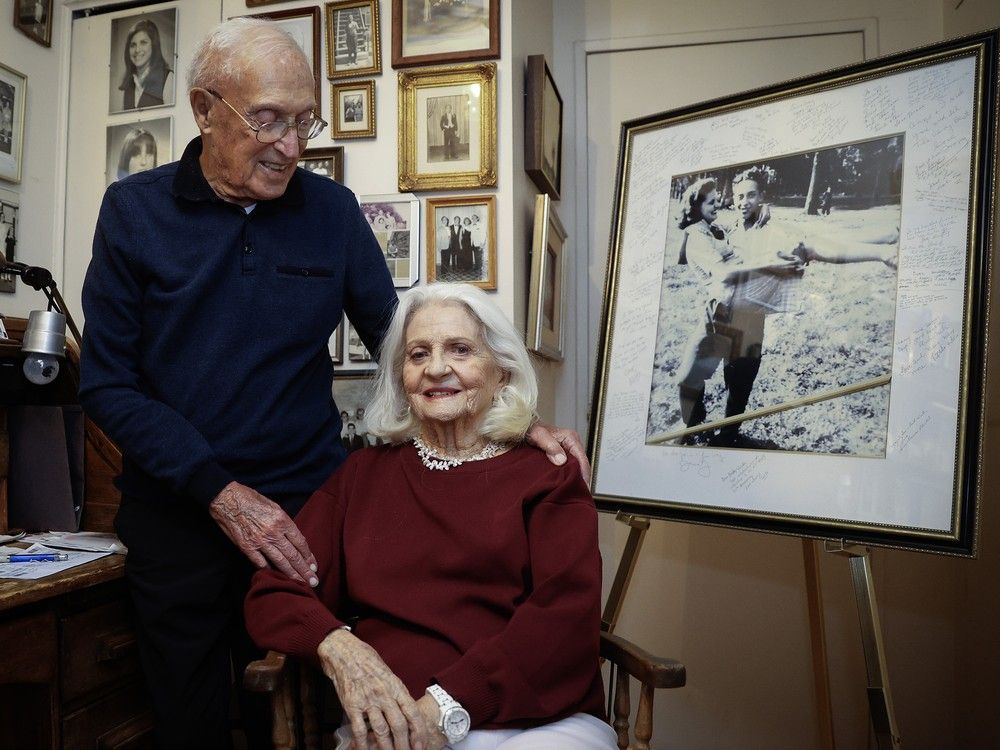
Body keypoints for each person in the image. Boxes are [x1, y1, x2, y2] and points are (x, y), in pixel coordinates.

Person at [80, 19, 588, 748]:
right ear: (204, 109)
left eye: (303, 121)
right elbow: (107, 384)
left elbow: (399, 339)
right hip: (180, 515)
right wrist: (218, 491)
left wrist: (508, 414)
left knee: (305, 717)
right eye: (267, 120)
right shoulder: (134, 212)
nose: (292, 146)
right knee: (189, 720)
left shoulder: (331, 213)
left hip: (303, 513)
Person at [246, 283, 615, 750]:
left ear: (502, 371)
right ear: (402, 376)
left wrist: (442, 709)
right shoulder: (361, 475)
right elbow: (275, 590)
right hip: (393, 725)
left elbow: (563, 622)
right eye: (418, 354)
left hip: (537, 723)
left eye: (460, 350)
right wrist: (342, 649)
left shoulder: (547, 475)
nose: (437, 368)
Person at [674, 172, 897, 447]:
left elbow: (818, 245)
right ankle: (694, 426)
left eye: (752, 195)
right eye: (740, 196)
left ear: (762, 198)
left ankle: (728, 436)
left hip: (749, 320)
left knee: (739, 388)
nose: (744, 202)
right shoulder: (723, 229)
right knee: (688, 378)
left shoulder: (766, 228)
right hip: (718, 312)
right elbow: (699, 257)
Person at [118, 18, 173, 110]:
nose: (137, 50)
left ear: (154, 46)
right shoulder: (128, 86)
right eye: (133, 45)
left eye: (143, 43)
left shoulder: (168, 79)